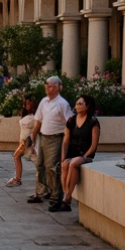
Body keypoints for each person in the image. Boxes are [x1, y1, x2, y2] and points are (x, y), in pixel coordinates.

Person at [29, 75, 73, 204]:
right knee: (39, 165)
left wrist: (66, 140)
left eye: (53, 86)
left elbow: (69, 123)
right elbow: (38, 121)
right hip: (43, 136)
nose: (50, 89)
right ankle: (41, 191)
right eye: (48, 86)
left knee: (51, 167)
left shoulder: (62, 103)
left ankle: (55, 193)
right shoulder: (44, 101)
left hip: (55, 138)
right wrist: (33, 138)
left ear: (59, 88)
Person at [54, 94, 100, 212]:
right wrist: (63, 157)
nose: (77, 106)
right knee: (65, 164)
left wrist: (84, 156)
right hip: (72, 153)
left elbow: (94, 145)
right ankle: (66, 198)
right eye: (77, 103)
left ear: (87, 106)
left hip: (86, 154)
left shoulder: (93, 122)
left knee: (74, 163)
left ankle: (66, 198)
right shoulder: (71, 121)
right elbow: (66, 141)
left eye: (80, 104)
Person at [8, 94, 38, 187]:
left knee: (37, 163)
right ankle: (17, 179)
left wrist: (30, 141)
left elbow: (36, 129)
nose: (27, 105)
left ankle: (43, 184)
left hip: (30, 142)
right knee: (16, 156)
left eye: (29, 103)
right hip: (23, 142)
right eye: (26, 103)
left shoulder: (36, 115)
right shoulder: (25, 114)